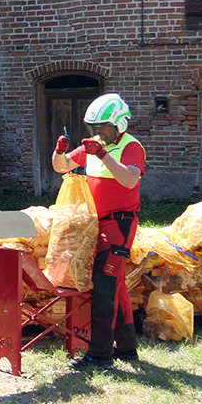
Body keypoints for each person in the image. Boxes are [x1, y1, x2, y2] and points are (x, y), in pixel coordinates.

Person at [51, 92, 146, 370]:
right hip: (95, 223)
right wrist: (59, 149)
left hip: (120, 224)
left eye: (102, 127)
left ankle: (100, 354)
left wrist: (103, 154)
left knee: (104, 285)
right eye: (94, 128)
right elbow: (61, 167)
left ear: (119, 125)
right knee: (115, 284)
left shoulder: (131, 146)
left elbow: (129, 180)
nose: (98, 133)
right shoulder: (92, 148)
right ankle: (126, 347)